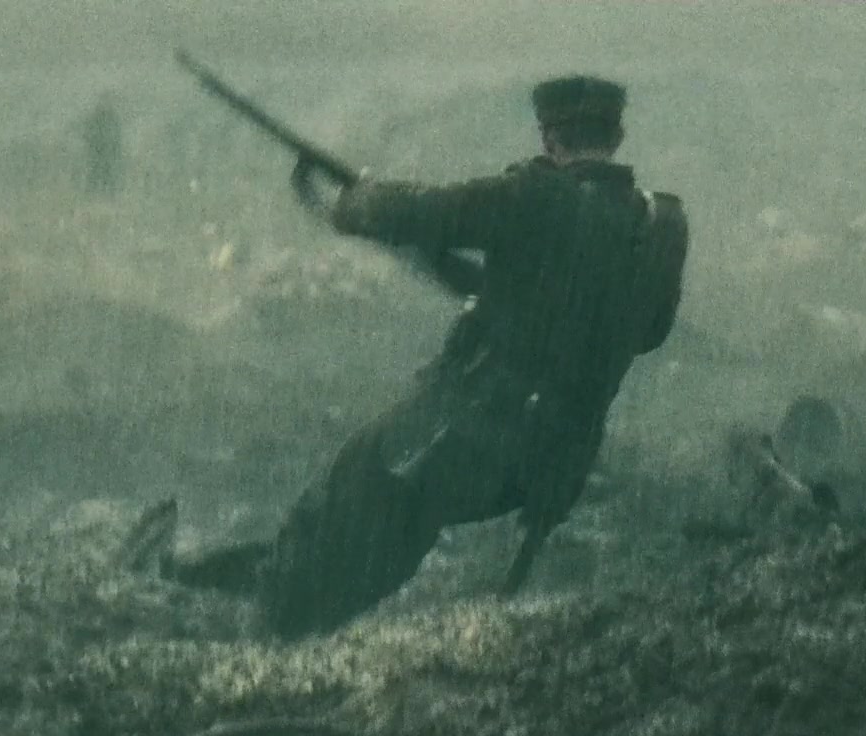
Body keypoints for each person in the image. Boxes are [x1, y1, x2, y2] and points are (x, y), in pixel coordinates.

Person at [155, 75, 689, 640]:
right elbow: (645, 332)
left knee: (345, 492)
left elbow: (422, 211)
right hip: (554, 461)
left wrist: (354, 202)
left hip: (473, 431)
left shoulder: (534, 197)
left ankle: (265, 622)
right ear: (617, 137)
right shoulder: (661, 225)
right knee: (394, 530)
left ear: (550, 140)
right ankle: (296, 620)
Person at [79, 95, 125, 196]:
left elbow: (117, 137)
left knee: (108, 176)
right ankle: (91, 196)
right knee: (94, 176)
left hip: (108, 153)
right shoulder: (95, 117)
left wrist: (115, 150)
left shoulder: (113, 118)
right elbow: (87, 134)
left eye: (107, 101)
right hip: (96, 153)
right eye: (104, 101)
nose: (105, 104)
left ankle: (109, 197)